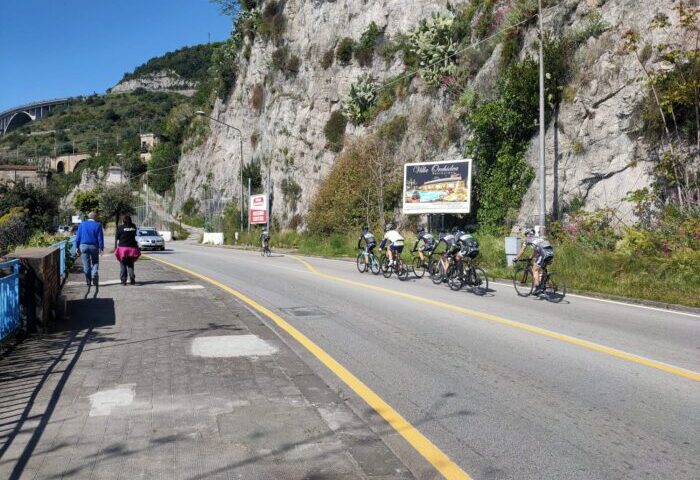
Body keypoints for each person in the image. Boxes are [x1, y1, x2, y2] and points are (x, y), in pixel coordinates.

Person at [514, 228, 554, 293]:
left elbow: (522, 251)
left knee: (535, 269)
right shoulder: (538, 238)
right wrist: (531, 257)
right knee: (540, 269)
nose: (526, 236)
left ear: (527, 235)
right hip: (550, 253)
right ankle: (542, 284)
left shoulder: (527, 240)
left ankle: (538, 288)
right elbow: (536, 251)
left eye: (526, 235)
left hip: (544, 254)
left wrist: (516, 259)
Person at [74, 212, 104, 286]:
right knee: (95, 262)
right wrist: (101, 248)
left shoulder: (82, 224)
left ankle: (88, 280)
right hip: (94, 246)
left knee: (86, 264)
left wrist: (76, 247)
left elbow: (78, 237)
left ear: (89, 217)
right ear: (95, 217)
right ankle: (94, 274)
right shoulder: (98, 225)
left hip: (83, 246)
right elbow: (100, 238)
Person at [114, 215, 141, 285]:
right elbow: (137, 235)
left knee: (123, 265)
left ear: (123, 220)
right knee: (130, 265)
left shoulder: (120, 227)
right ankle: (132, 279)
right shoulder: (134, 227)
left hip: (123, 249)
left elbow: (117, 237)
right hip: (132, 249)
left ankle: (123, 281)